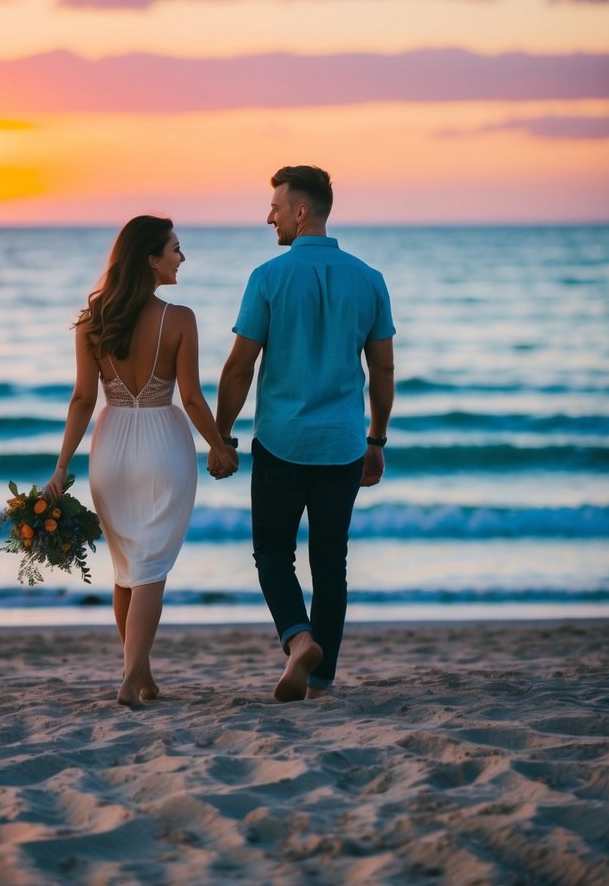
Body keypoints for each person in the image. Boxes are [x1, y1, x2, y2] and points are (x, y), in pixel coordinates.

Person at [210, 166, 395, 702]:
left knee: (272, 552)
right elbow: (382, 371)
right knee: (330, 563)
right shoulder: (369, 278)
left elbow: (239, 367)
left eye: (275, 206)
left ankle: (297, 638)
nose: (268, 215)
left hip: (281, 441)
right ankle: (321, 680)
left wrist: (221, 434)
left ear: (300, 211)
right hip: (342, 442)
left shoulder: (267, 277)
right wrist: (376, 440)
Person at [45, 215, 238, 708]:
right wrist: (219, 445)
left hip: (109, 450)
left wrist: (62, 467)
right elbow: (192, 397)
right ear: (151, 259)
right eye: (175, 248)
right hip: (162, 446)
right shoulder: (180, 319)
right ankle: (130, 682)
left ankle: (143, 675)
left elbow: (82, 400)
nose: (182, 257)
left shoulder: (93, 322)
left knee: (127, 566)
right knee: (150, 568)